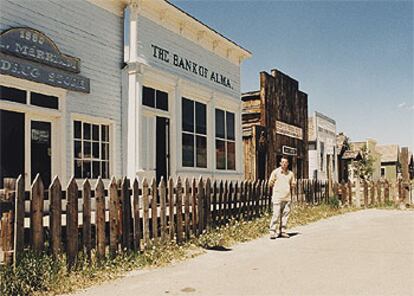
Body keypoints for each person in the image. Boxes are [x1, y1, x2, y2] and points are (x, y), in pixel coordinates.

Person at [268, 156, 295, 239]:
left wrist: (291, 194)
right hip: (277, 197)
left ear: (288, 164)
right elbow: (270, 183)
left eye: (286, 162)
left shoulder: (290, 174)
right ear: (280, 163)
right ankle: (272, 231)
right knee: (276, 214)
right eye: (282, 162)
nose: (284, 164)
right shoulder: (275, 172)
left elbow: (293, 184)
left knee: (285, 215)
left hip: (287, 197)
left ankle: (282, 231)